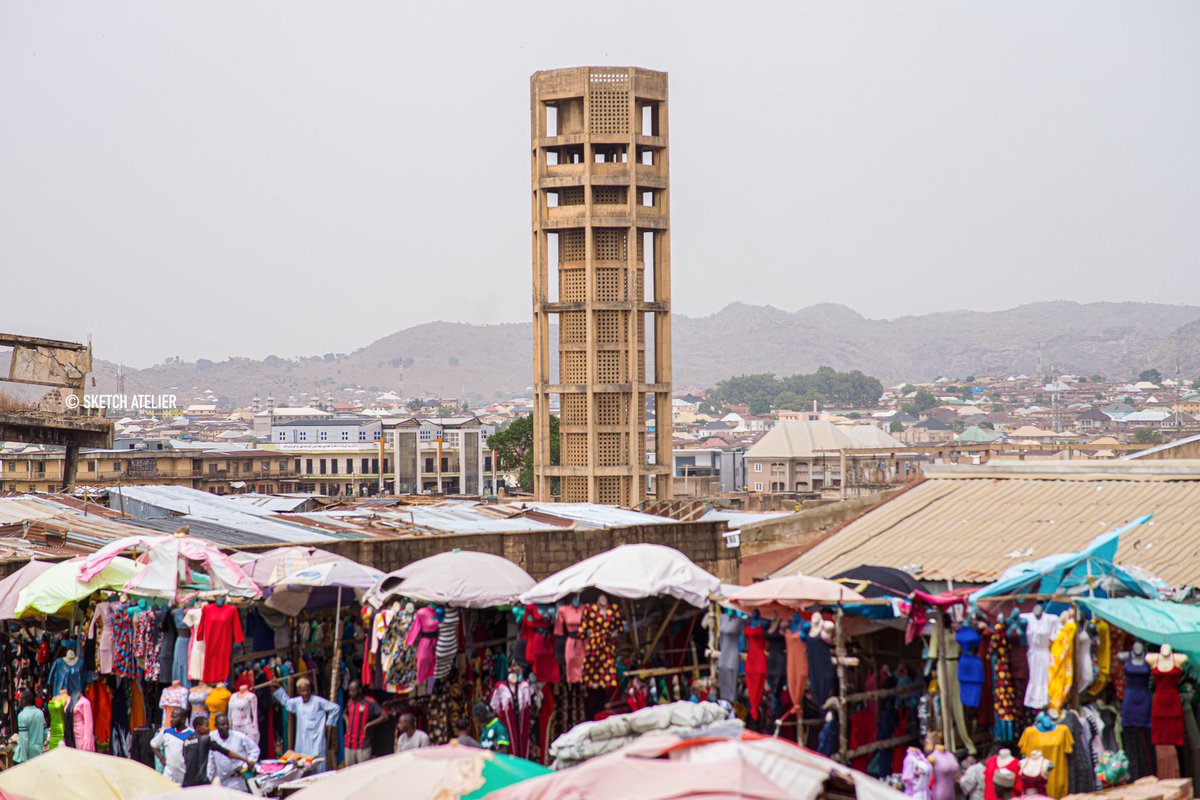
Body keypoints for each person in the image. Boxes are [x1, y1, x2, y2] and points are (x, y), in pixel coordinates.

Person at [272, 676, 340, 772]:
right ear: (298, 692)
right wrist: (278, 689)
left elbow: (335, 708)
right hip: (302, 741)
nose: (305, 693)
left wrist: (329, 723)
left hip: (317, 740)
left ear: (310, 690)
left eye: (307, 690)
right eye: (302, 691)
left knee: (318, 763)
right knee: (303, 763)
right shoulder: (297, 702)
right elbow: (286, 702)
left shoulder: (318, 701)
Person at [183, 714, 254, 787]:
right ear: (198, 727)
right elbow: (227, 752)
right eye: (207, 726)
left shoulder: (186, 740)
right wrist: (245, 760)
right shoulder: (206, 739)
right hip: (200, 781)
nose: (209, 728)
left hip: (187, 781)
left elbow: (185, 759)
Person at [209, 712, 260, 790]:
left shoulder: (238, 736)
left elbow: (255, 750)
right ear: (216, 726)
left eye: (227, 724)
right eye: (222, 725)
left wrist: (245, 767)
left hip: (237, 780)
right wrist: (209, 779)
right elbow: (210, 761)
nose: (225, 727)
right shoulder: (212, 737)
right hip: (220, 781)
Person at [343, 680, 384, 766]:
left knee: (363, 770)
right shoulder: (350, 701)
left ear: (359, 690)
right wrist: (347, 722)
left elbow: (384, 716)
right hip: (349, 743)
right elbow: (344, 713)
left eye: (353, 691)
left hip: (363, 743)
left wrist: (368, 725)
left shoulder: (369, 702)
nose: (350, 693)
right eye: (349, 690)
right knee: (349, 771)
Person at [151, 708, 194, 784]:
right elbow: (153, 745)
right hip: (169, 774)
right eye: (171, 717)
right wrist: (162, 759)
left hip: (184, 775)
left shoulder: (191, 734)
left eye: (175, 717)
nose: (172, 719)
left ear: (183, 719)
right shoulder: (166, 732)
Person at [14, 689, 45, 764]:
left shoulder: (22, 715)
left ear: (24, 701)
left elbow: (24, 739)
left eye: (20, 698)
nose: (18, 700)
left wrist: (25, 760)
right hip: (37, 753)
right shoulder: (40, 713)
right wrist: (39, 745)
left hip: (25, 756)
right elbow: (45, 733)